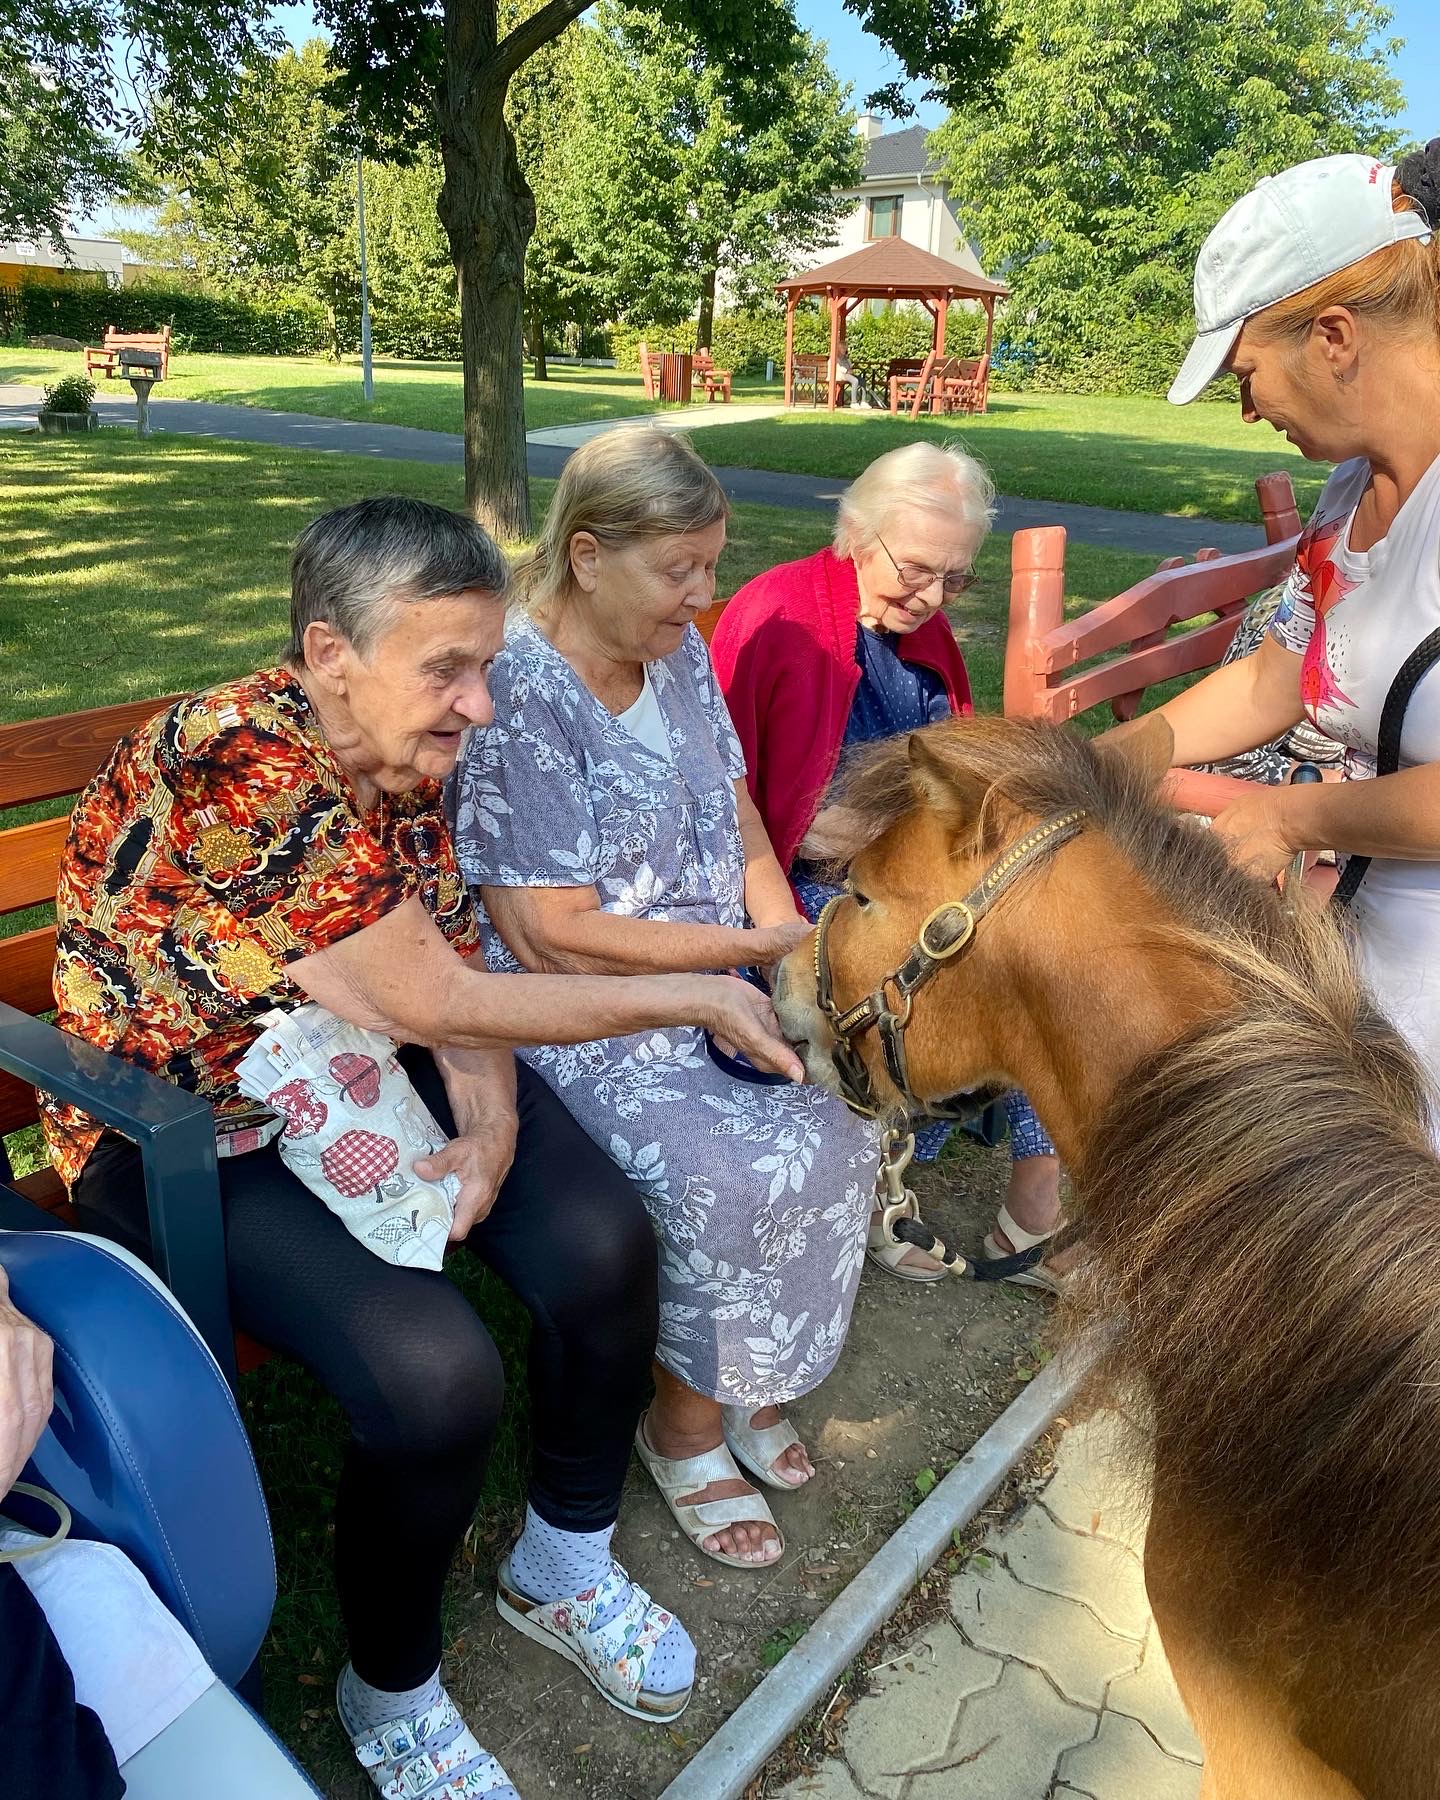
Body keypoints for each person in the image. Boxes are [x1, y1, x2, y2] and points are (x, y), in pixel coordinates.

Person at [45, 497, 802, 1800]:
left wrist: (492, 1120)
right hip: (180, 1126)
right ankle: (390, 1693)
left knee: (602, 1242)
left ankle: (561, 1567)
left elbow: (446, 967)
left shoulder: (401, 754)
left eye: (488, 665)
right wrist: (697, 991)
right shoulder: (241, 759)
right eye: (449, 669)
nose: (482, 705)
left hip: (355, 1058)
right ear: (329, 655)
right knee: (436, 1375)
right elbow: (437, 997)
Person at [448, 430, 879, 1572]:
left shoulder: (674, 653)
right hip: (583, 1006)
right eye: (680, 568)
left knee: (840, 1118)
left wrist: (789, 953)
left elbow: (741, 820)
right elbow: (550, 931)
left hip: (712, 973)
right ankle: (681, 1425)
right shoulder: (521, 691)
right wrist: (743, 955)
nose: (705, 595)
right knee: (725, 1166)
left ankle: (752, 1377)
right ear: (587, 555)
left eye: (712, 566)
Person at [711, 441, 1072, 1289]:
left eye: (956, 578)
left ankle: (1031, 1202)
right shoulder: (782, 616)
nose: (935, 597)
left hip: (909, 875)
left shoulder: (920, 625)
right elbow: (732, 801)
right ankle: (883, 1184)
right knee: (975, 969)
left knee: (1040, 946)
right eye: (916, 570)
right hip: (801, 884)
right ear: (854, 532)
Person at [1132, 142, 1440, 1110]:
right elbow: (1279, 676)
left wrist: (1289, 816)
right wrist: (1113, 757)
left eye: (1247, 372)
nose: (1247, 410)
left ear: (1335, 337)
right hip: (1378, 967)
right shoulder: (1350, 491)